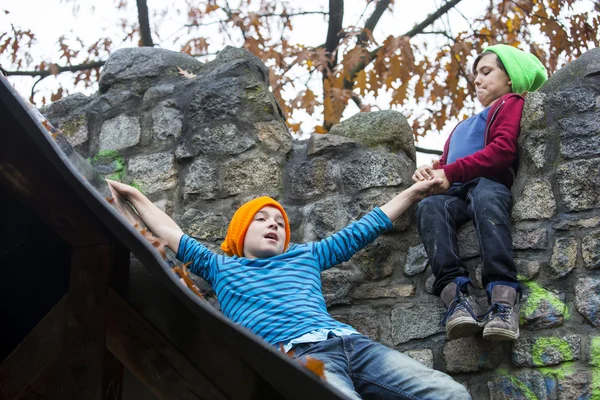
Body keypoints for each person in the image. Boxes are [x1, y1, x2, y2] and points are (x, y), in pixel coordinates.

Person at [108, 178, 471, 400]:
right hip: (300, 359)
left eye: (279, 222)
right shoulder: (219, 266)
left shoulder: (305, 256)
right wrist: (134, 195)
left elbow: (365, 228)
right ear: (238, 233)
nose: (273, 225)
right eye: (261, 219)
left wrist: (414, 192)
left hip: (353, 345)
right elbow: (170, 234)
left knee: (451, 393)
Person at [412, 44, 548, 341]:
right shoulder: (461, 125)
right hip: (456, 193)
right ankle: (455, 299)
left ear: (510, 77)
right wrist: (431, 171)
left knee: (487, 196)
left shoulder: (509, 103)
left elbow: (501, 152)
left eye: (486, 72)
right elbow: (446, 164)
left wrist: (449, 172)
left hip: (486, 184)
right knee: (429, 207)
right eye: (475, 75)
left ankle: (503, 300)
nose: (477, 80)